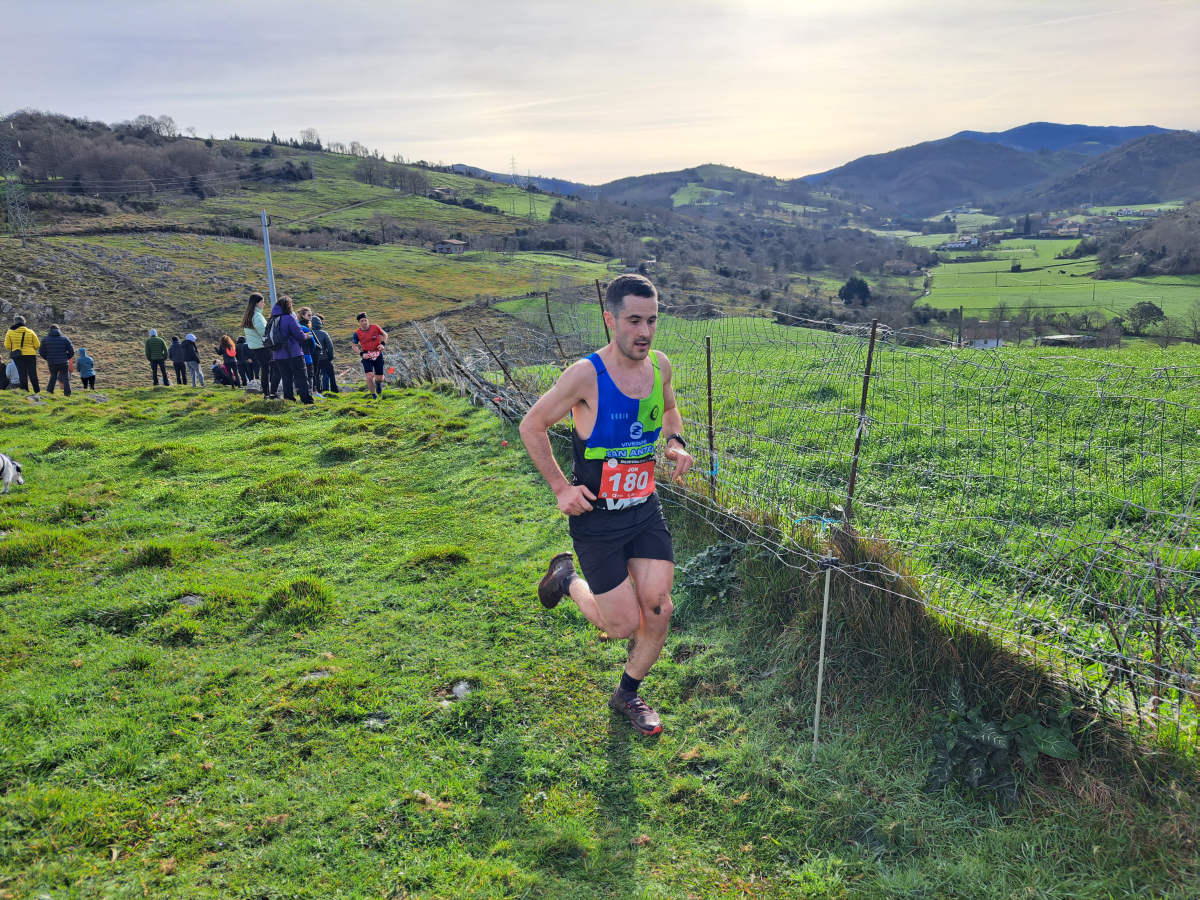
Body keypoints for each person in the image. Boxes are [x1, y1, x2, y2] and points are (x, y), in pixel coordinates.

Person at [519, 275, 694, 737]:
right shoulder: (586, 375)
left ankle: (627, 693)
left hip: (643, 511)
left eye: (652, 320)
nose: (644, 331)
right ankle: (567, 578)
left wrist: (674, 442)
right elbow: (532, 425)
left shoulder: (660, 367)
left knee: (658, 610)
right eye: (634, 320)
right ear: (610, 319)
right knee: (621, 625)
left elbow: (671, 410)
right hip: (595, 521)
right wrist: (561, 488)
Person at [270, 296, 313, 404]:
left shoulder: (272, 318)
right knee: (302, 377)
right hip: (293, 353)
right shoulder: (289, 317)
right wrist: (306, 336)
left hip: (278, 355)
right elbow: (299, 335)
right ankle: (307, 400)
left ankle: (289, 400)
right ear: (288, 305)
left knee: (286, 378)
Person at [241, 293, 272, 396]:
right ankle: (268, 393)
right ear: (257, 303)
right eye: (262, 302)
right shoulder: (257, 316)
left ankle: (266, 392)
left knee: (265, 369)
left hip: (256, 347)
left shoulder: (250, 315)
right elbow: (264, 332)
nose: (264, 304)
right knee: (267, 369)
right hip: (262, 346)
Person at [351, 312, 388, 398]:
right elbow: (354, 346)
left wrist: (382, 344)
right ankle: (373, 395)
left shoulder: (375, 327)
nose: (364, 322)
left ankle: (378, 384)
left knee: (380, 378)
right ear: (359, 323)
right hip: (367, 355)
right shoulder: (357, 333)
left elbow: (385, 335)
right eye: (362, 321)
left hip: (378, 354)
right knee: (369, 376)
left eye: (365, 320)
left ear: (368, 320)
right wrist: (361, 354)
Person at [5, 315, 41, 393]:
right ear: (24, 322)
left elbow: (7, 346)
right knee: (33, 374)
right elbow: (37, 345)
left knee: (22, 374)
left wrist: (14, 347)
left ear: (15, 322)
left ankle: (25, 391)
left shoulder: (10, 332)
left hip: (18, 356)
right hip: (30, 355)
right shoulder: (30, 331)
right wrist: (30, 348)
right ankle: (37, 391)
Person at [40, 323, 76, 396]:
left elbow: (41, 352)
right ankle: (68, 394)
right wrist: (67, 357)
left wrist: (47, 358)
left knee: (53, 376)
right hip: (63, 362)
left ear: (50, 330)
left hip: (52, 362)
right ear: (58, 330)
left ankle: (49, 392)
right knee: (65, 377)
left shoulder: (45, 339)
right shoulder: (65, 339)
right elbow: (72, 351)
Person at [310, 315, 339, 394]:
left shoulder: (309, 333)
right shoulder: (324, 333)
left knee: (316, 375)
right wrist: (330, 357)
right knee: (331, 374)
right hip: (324, 358)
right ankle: (334, 390)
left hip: (313, 359)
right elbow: (330, 346)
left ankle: (318, 391)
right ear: (320, 323)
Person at [296, 306, 320, 393]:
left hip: (298, 355)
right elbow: (312, 343)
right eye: (309, 315)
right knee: (310, 375)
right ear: (303, 316)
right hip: (307, 355)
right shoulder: (305, 327)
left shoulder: (297, 326)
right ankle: (311, 393)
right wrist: (312, 351)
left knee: (302, 376)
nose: (311, 317)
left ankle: (304, 393)